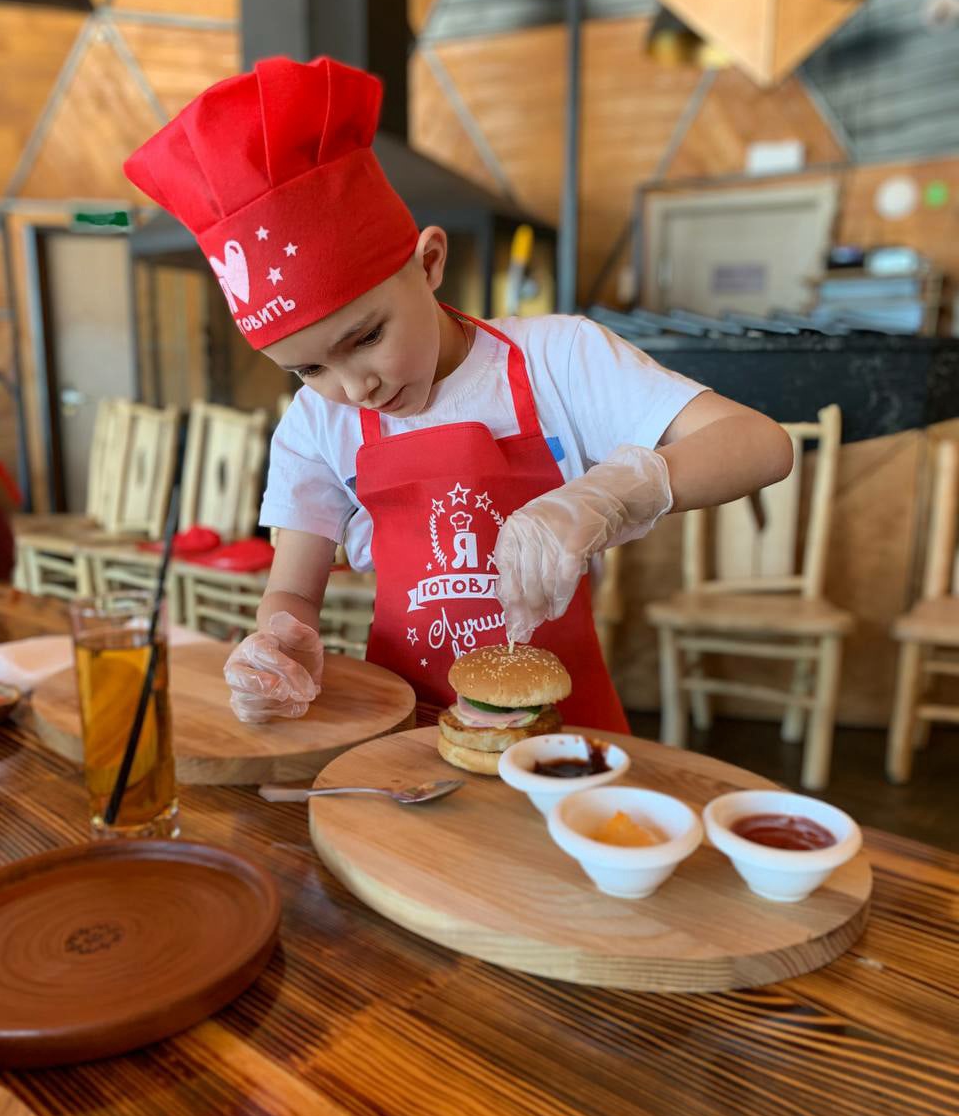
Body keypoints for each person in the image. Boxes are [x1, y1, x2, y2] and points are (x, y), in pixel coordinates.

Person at [125, 55, 793, 734]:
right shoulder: (316, 424)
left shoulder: (558, 358)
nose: (356, 387)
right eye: (308, 369)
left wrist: (614, 494)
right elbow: (293, 591)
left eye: (367, 337)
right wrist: (278, 643)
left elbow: (760, 444)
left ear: (429, 263)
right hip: (403, 735)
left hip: (560, 735)